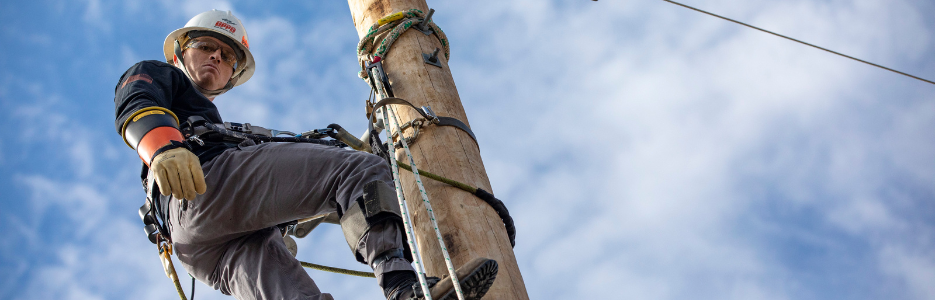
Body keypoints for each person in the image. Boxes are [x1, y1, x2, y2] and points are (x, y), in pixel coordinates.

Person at [113, 10, 496, 300]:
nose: (216, 56)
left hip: (198, 244)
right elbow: (136, 100)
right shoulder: (161, 74)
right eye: (205, 46)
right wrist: (163, 148)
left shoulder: (214, 120)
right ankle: (401, 285)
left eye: (227, 55)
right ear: (181, 51)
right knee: (358, 171)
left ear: (233, 74)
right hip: (206, 187)